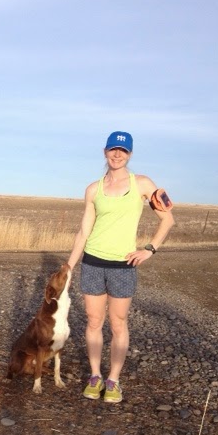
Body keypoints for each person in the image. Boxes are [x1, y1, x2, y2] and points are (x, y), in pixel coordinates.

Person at [65, 131, 175, 403]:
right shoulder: (93, 189)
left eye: (123, 151)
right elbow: (84, 231)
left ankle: (113, 380)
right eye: (113, 149)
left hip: (123, 266)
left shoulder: (143, 184)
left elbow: (168, 220)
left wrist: (149, 249)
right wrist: (69, 266)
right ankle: (95, 376)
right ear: (105, 152)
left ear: (130, 154)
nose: (117, 154)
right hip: (92, 262)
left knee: (118, 323)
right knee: (93, 321)